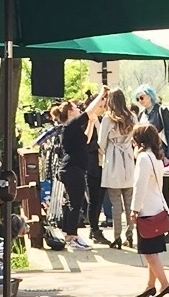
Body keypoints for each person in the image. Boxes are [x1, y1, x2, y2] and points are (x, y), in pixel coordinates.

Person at [50, 86, 110, 251]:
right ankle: (72, 236)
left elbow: (86, 138)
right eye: (76, 108)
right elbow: (89, 111)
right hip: (73, 169)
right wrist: (102, 94)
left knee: (72, 203)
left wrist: (91, 122)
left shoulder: (72, 129)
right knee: (75, 204)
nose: (79, 109)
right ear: (70, 111)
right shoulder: (71, 125)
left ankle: (70, 234)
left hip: (72, 169)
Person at [131, 124, 169, 297]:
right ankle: (150, 285)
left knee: (149, 253)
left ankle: (165, 284)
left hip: (147, 210)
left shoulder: (143, 158)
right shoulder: (156, 157)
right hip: (158, 207)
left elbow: (139, 186)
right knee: (152, 250)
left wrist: (134, 209)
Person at [134, 84, 169, 243]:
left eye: (142, 97)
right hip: (147, 155)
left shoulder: (162, 111)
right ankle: (156, 226)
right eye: (137, 99)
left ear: (150, 95)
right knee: (149, 191)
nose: (140, 101)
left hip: (161, 154)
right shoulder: (141, 114)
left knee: (164, 191)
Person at [98, 88, 137, 249]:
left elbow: (101, 142)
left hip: (113, 160)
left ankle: (116, 237)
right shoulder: (132, 117)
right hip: (128, 158)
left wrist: (107, 151)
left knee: (116, 204)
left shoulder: (108, 119)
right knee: (130, 203)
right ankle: (130, 234)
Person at [83, 93, 111, 245]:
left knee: (99, 199)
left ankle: (94, 228)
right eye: (100, 106)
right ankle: (94, 229)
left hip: (103, 163)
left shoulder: (102, 119)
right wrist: (101, 144)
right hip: (93, 164)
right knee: (94, 200)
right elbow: (86, 144)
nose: (102, 108)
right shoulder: (88, 121)